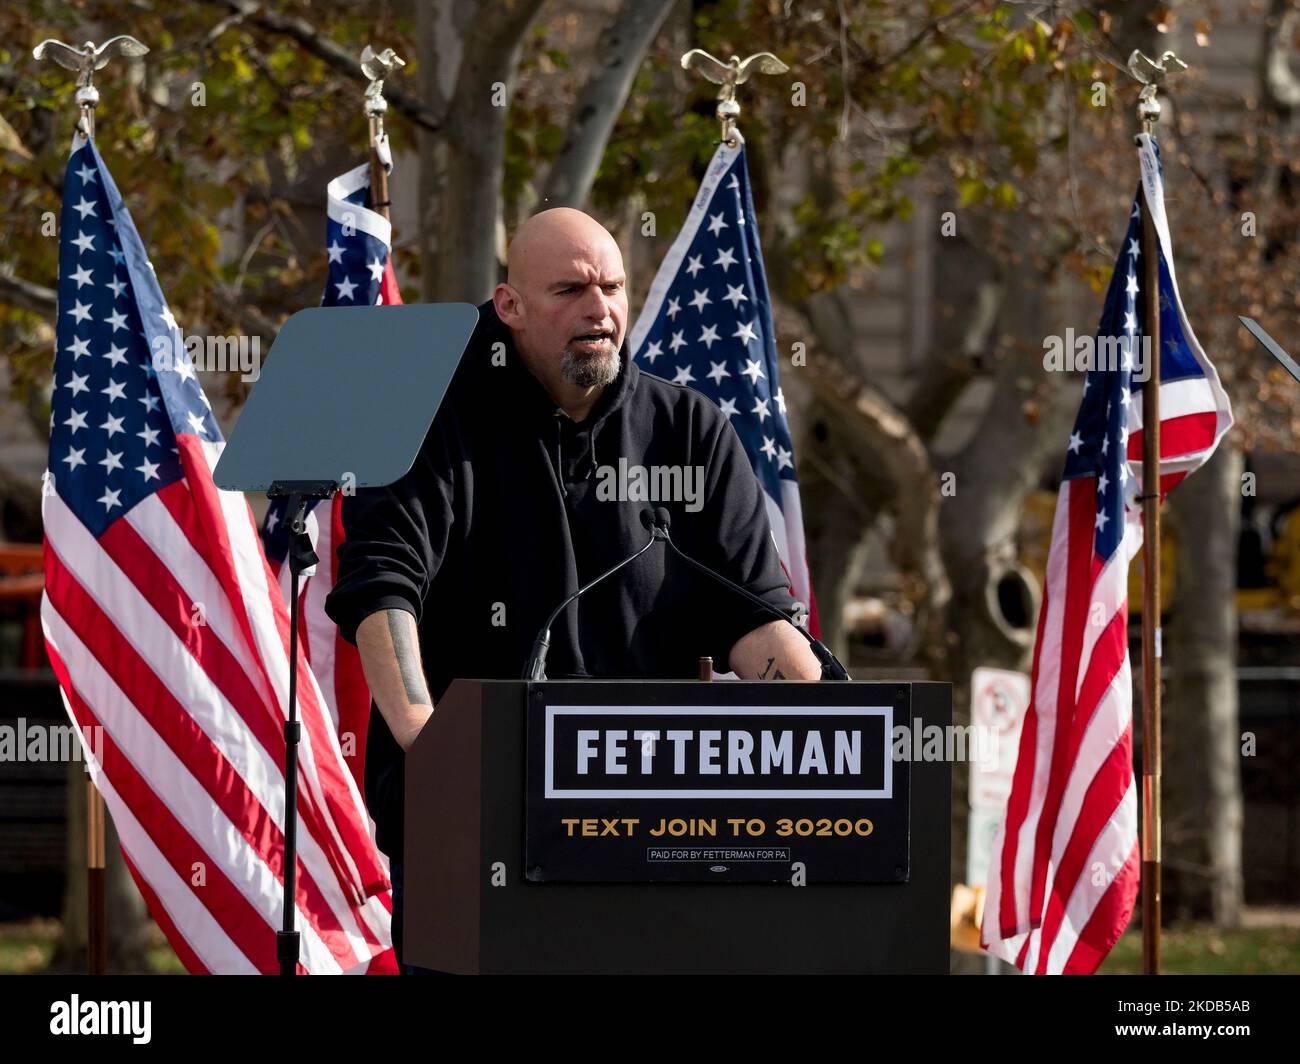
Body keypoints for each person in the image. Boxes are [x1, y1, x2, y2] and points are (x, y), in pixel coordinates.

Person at [324, 207, 820, 973]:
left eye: (614, 287)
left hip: (656, 839)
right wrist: (436, 750)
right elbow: (382, 588)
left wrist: (822, 720)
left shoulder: (687, 429)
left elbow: (751, 615)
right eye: (571, 290)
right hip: (477, 834)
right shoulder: (429, 415)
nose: (601, 310)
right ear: (510, 307)